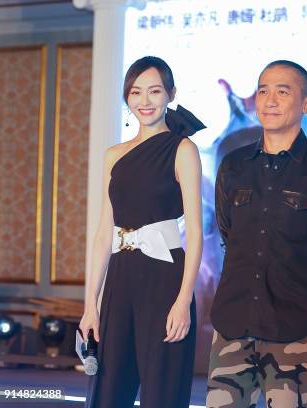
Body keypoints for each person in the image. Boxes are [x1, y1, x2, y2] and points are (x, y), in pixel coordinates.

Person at [206, 60, 307, 408]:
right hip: (233, 322)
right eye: (263, 90)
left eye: (282, 91)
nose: (270, 99)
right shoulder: (233, 165)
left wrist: (304, 299)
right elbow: (229, 235)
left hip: (292, 328)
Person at [79, 56, 205, 408]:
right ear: (127, 97)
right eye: (136, 92)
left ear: (170, 94)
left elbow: (195, 232)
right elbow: (105, 232)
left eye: (154, 91)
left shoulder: (183, 149)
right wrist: (91, 306)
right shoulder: (114, 155)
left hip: (165, 277)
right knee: (108, 390)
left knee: (162, 390)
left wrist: (183, 302)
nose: (144, 101)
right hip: (121, 280)